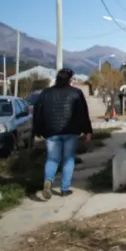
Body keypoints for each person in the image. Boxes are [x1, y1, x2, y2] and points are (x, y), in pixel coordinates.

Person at [32, 68, 93, 200]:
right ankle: (65, 189)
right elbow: (83, 113)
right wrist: (87, 131)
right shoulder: (76, 93)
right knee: (68, 159)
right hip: (71, 131)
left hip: (51, 132)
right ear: (70, 79)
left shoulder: (46, 93)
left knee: (52, 159)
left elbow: (38, 112)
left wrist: (38, 130)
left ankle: (48, 181)